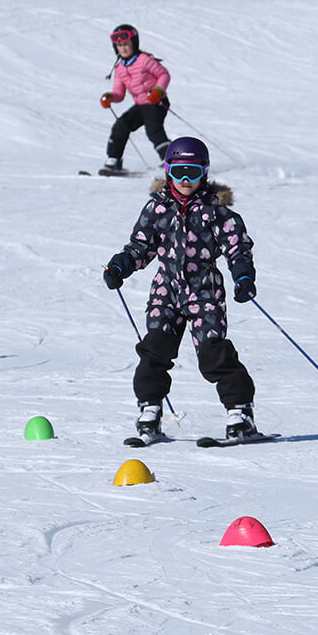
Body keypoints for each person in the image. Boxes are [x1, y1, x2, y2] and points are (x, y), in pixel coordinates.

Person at [102, 137, 260, 442]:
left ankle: (240, 412)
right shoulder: (157, 208)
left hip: (205, 292)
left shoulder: (217, 212)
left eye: (193, 172)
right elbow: (141, 246)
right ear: (168, 171)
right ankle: (150, 411)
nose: (186, 180)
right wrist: (121, 265)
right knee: (154, 350)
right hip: (167, 291)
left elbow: (238, 249)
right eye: (178, 172)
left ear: (205, 172)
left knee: (214, 353)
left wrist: (243, 277)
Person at [99, 24, 171, 174]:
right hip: (141, 105)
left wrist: (158, 90)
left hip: (156, 101)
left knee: (153, 130)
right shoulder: (119, 69)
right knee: (121, 126)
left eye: (127, 44)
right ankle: (113, 161)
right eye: (120, 46)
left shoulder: (144, 60)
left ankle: (170, 160)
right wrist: (110, 97)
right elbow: (119, 93)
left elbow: (164, 74)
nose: (124, 48)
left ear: (134, 43)